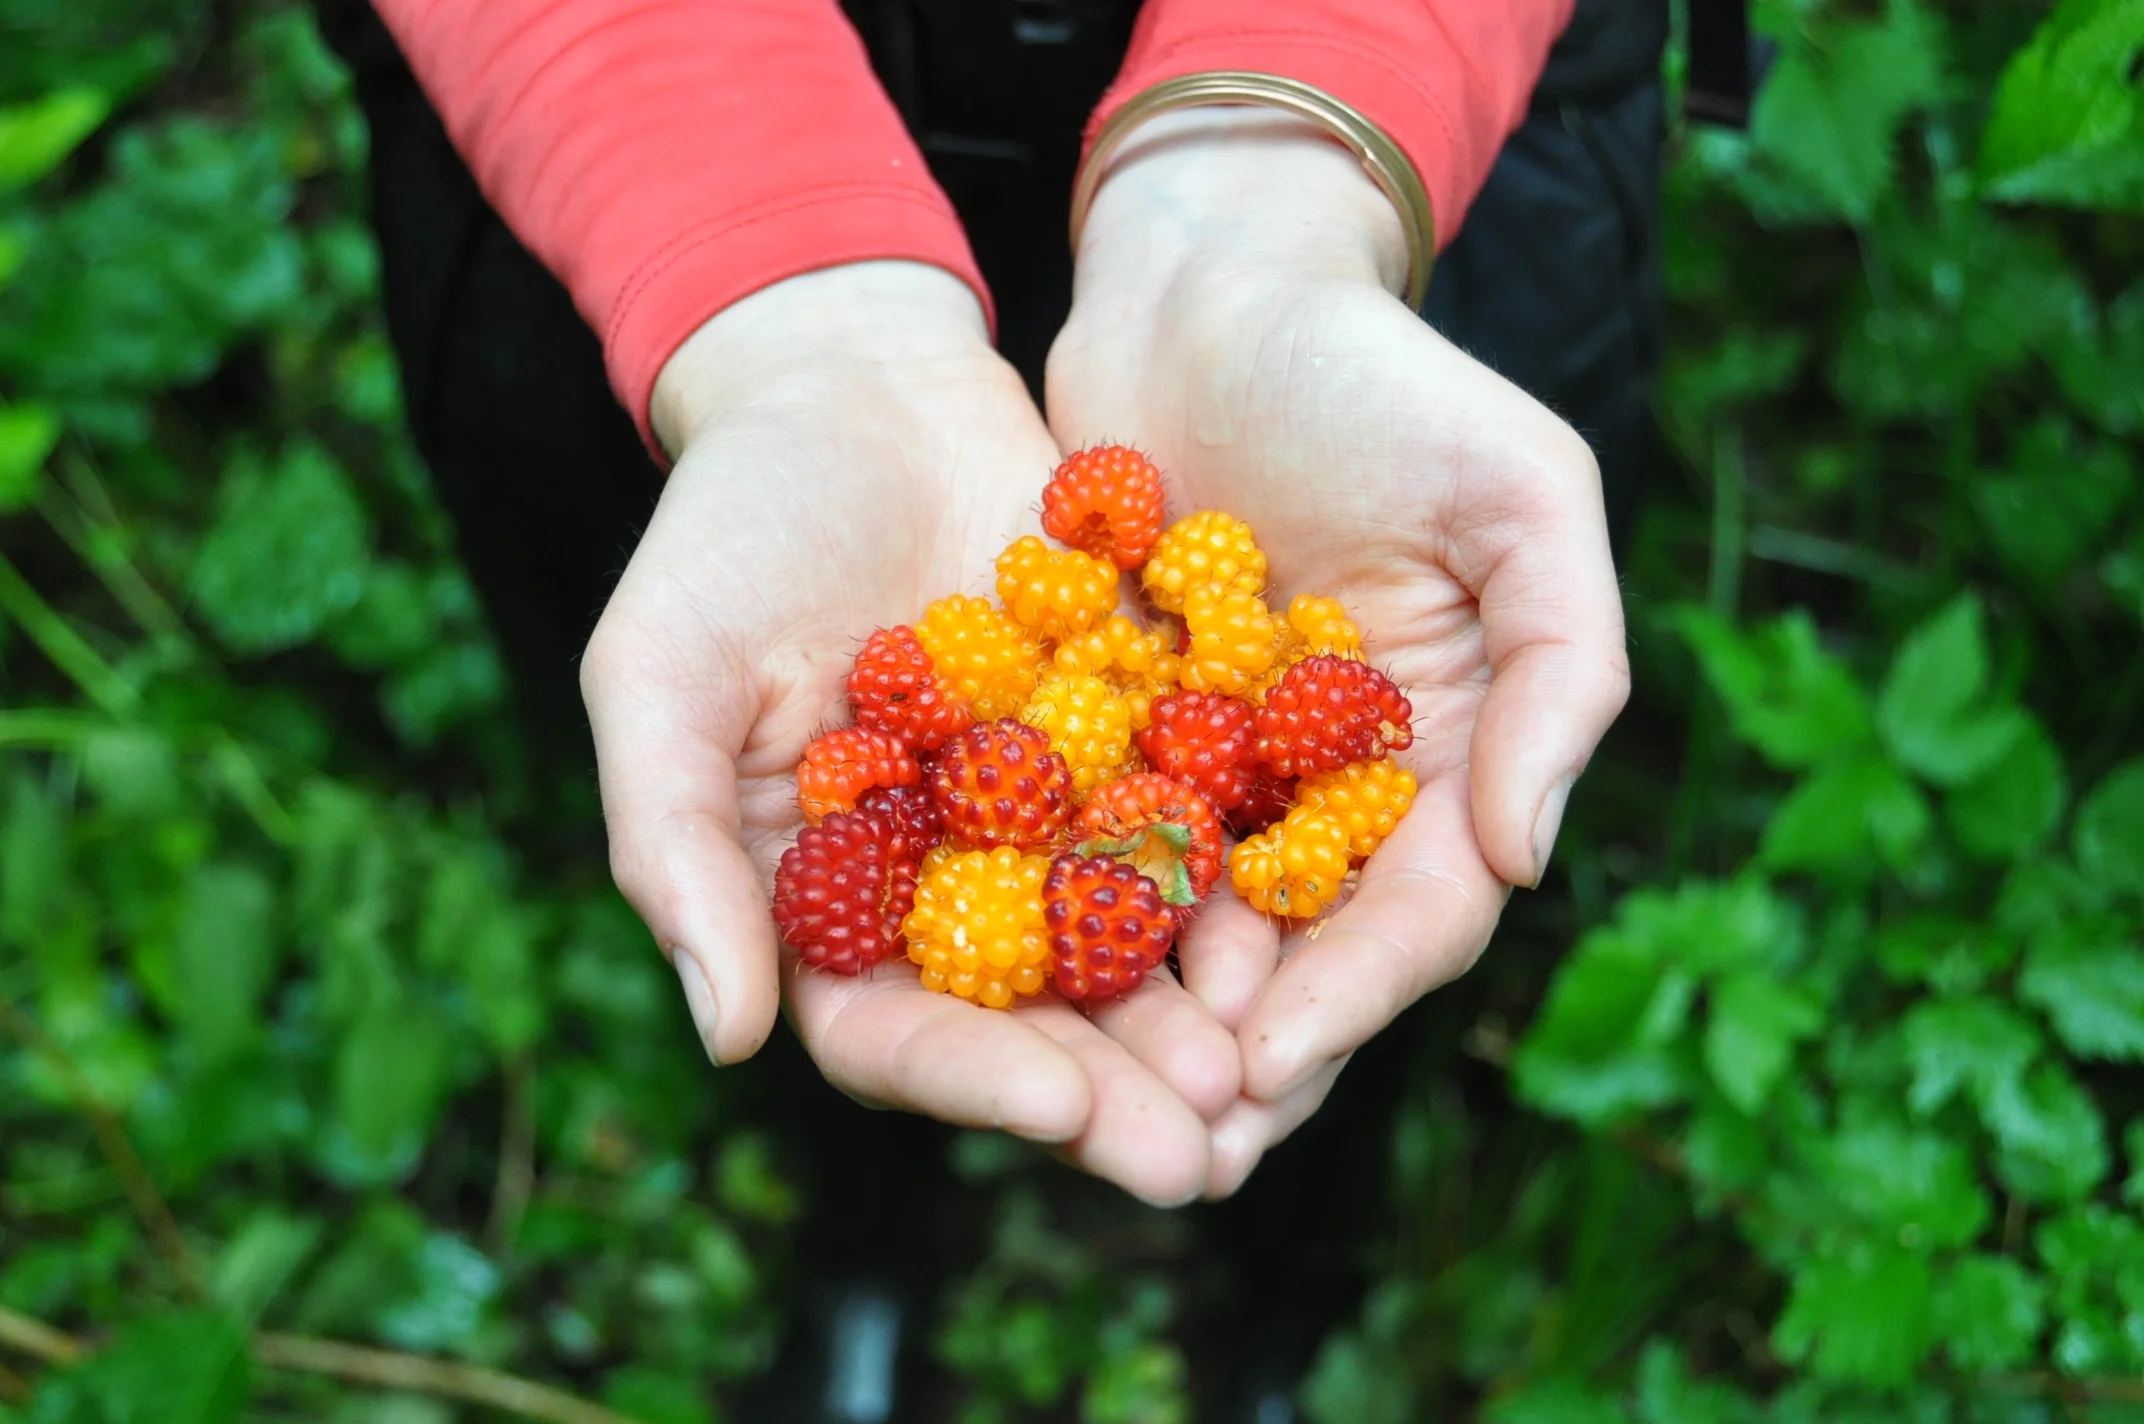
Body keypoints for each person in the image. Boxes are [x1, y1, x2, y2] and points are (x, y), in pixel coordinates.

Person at [315, 0, 1664, 1416]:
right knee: (749, 850)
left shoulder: (1203, 698)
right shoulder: (969, 739)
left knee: (1346, 979)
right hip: (636, 184)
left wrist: (1272, 164)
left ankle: (1295, 1280)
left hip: (1389, 160)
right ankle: (866, 1236)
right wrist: (767, 284)